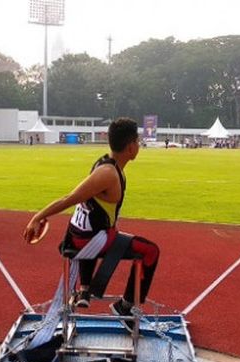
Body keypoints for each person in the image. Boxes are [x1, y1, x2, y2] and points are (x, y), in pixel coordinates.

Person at [23, 117, 159, 333]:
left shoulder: (106, 163)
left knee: (112, 231)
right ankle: (124, 306)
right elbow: (70, 198)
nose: (139, 145)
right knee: (150, 251)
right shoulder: (107, 173)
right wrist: (37, 217)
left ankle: (86, 288)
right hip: (89, 240)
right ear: (131, 146)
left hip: (87, 233)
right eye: (138, 141)